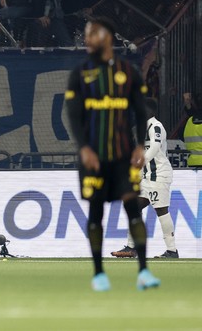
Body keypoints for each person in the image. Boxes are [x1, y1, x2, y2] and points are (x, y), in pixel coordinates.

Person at [65, 17, 160, 292]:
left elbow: (141, 112)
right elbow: (74, 117)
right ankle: (98, 273)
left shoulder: (128, 72)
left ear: (107, 36)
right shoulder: (80, 74)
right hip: (93, 158)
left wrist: (141, 146)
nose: (87, 38)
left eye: (92, 33)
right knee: (96, 212)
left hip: (122, 157)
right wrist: (83, 148)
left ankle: (143, 271)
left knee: (133, 209)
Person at [111, 99, 178, 259]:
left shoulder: (156, 126)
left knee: (161, 211)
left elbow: (154, 148)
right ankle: (131, 247)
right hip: (146, 176)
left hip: (159, 174)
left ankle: (172, 250)